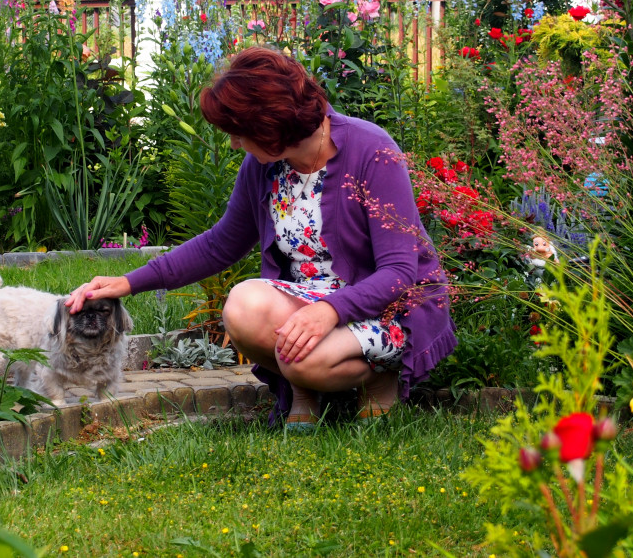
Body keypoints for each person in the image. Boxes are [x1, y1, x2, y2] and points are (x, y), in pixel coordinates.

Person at [65, 46, 456, 429]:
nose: (235, 143)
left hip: (387, 307)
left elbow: (399, 270)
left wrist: (331, 311)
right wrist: (128, 283)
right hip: (313, 303)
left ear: (271, 125)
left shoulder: (371, 150)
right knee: (242, 307)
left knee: (304, 359)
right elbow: (220, 244)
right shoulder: (263, 166)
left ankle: (379, 378)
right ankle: (305, 390)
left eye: (240, 133)